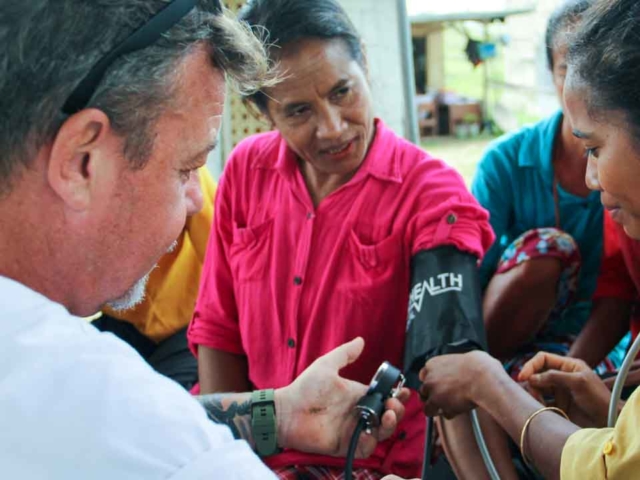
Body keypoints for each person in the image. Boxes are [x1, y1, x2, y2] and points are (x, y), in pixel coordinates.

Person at [0, 1, 408, 478]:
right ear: (82, 161)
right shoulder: (139, 434)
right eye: (187, 169)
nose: (196, 199)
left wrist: (282, 413)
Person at [187, 0, 494, 478]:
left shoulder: (431, 195)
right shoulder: (247, 172)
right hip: (253, 445)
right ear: (264, 112)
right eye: (299, 111)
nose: (331, 127)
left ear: (364, 64)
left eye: (342, 91)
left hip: (366, 461)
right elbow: (219, 332)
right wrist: (228, 456)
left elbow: (446, 367)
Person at [415, 0, 640, 478]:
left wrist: (489, 383)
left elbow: (610, 467)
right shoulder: (506, 162)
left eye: (597, 149)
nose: (592, 177)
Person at [92, 167, 216, 390]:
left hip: (184, 324)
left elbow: (217, 258)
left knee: (166, 398)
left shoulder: (185, 165)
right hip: (123, 319)